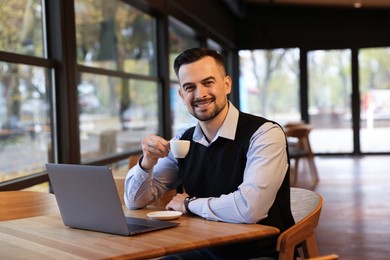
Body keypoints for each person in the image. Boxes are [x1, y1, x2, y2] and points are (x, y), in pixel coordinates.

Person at [124, 47, 295, 259]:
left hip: (258, 253)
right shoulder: (182, 141)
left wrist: (189, 204)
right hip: (203, 248)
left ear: (227, 84)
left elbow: (250, 208)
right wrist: (147, 162)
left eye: (208, 82)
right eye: (189, 87)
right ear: (181, 95)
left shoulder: (264, 134)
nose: (200, 94)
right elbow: (134, 201)